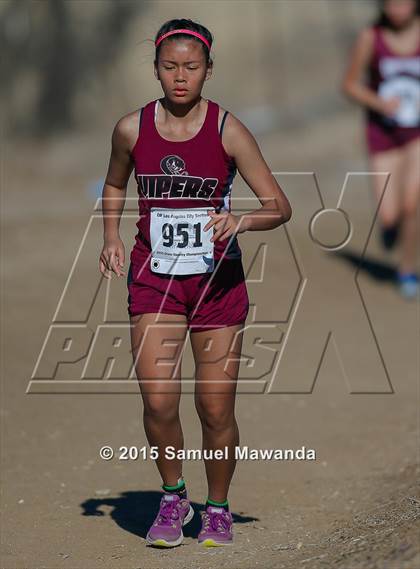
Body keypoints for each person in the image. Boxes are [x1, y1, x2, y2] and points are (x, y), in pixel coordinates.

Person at [99, 18, 292, 548]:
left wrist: (242, 220)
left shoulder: (228, 129)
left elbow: (280, 206)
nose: (180, 77)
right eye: (169, 67)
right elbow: (116, 181)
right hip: (154, 278)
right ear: (156, 70)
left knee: (214, 408)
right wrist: (112, 235)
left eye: (191, 67)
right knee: (159, 400)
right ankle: (172, 495)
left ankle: (219, 507)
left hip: (216, 283)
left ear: (208, 70)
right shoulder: (131, 129)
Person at [341, 0, 420, 299]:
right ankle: (390, 229)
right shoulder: (370, 37)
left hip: (416, 135)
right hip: (383, 134)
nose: (397, 8)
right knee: (389, 216)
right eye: (390, 3)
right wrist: (380, 103)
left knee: (411, 204)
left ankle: (407, 270)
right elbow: (349, 84)